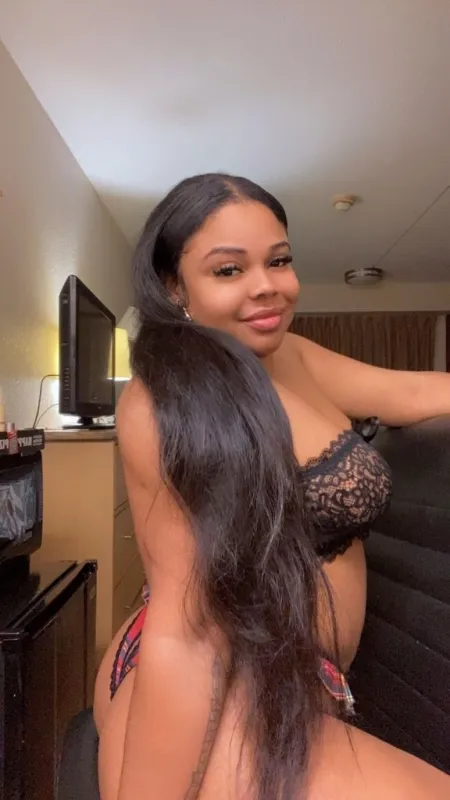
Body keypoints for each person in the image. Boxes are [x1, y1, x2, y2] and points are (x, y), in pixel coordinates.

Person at [95, 173, 450, 799]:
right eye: (229, 269)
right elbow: (186, 633)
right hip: (210, 674)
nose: (267, 286)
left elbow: (417, 392)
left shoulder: (292, 357)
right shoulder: (161, 405)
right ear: (175, 286)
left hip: (297, 673)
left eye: (279, 261)